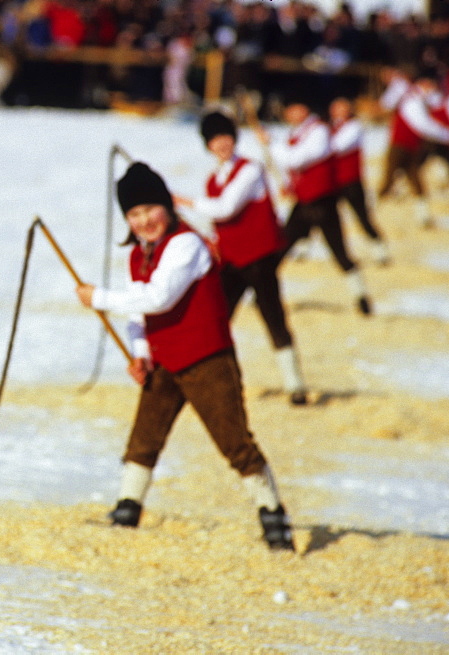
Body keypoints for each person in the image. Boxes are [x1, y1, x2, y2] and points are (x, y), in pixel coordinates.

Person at [75, 161, 295, 551]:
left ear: (168, 207)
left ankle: (272, 513)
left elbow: (159, 298)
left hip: (207, 359)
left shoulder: (186, 244)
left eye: (150, 210)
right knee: (144, 436)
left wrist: (100, 298)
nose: (144, 220)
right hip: (163, 361)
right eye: (134, 213)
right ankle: (128, 507)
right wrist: (141, 353)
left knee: (234, 441)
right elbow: (139, 312)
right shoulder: (136, 255)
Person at [174, 110, 309, 406]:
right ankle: (217, 381)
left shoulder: (250, 169)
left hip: (259, 258)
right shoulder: (213, 178)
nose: (221, 144)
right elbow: (218, 219)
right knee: (218, 320)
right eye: (214, 140)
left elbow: (225, 208)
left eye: (225, 137)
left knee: (272, 315)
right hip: (232, 261)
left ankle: (295, 383)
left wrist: (184, 201)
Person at [256, 101, 373, 316]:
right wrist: (291, 184)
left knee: (340, 252)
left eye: (293, 108)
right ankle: (264, 297)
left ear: (303, 108)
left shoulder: (319, 131)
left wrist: (271, 143)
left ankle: (361, 295)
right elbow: (294, 166)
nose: (289, 113)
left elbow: (297, 159)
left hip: (323, 202)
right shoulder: (297, 133)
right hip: (303, 204)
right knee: (279, 250)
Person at [376, 72, 449, 228]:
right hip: (400, 146)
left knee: (415, 179)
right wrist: (448, 135)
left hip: (412, 146)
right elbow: (423, 126)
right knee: (389, 177)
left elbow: (437, 103)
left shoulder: (418, 99)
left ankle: (423, 215)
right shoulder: (413, 101)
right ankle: (374, 210)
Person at [328, 97, 390, 265]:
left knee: (362, 216)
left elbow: (337, 147)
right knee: (324, 217)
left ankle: (380, 249)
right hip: (333, 181)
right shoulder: (330, 128)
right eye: (335, 108)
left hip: (351, 181)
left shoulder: (353, 127)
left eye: (341, 108)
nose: (337, 111)